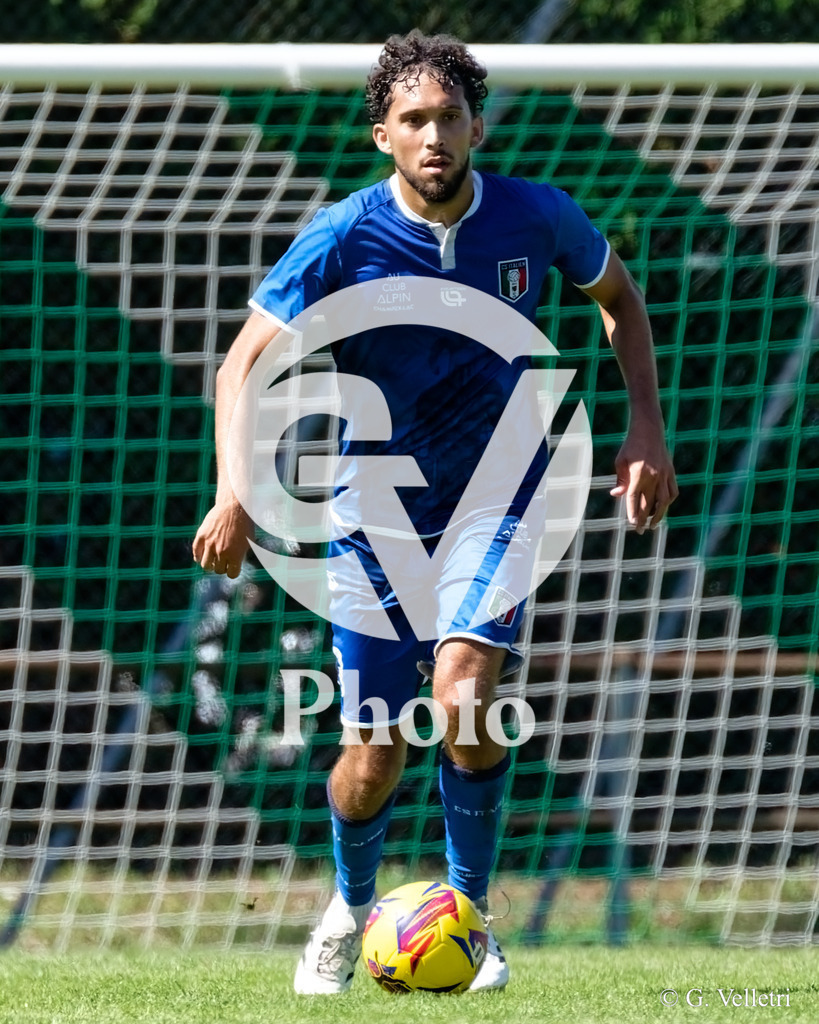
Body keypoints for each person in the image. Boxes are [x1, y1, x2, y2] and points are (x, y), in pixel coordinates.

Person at [193, 30, 677, 994]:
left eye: (448, 116)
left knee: (463, 692)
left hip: (501, 496)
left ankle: (470, 914)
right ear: (382, 135)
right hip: (372, 510)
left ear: (476, 125)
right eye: (412, 119)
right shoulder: (342, 235)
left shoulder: (537, 218)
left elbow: (619, 302)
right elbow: (241, 361)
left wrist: (645, 432)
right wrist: (233, 492)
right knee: (370, 753)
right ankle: (348, 903)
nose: (432, 135)